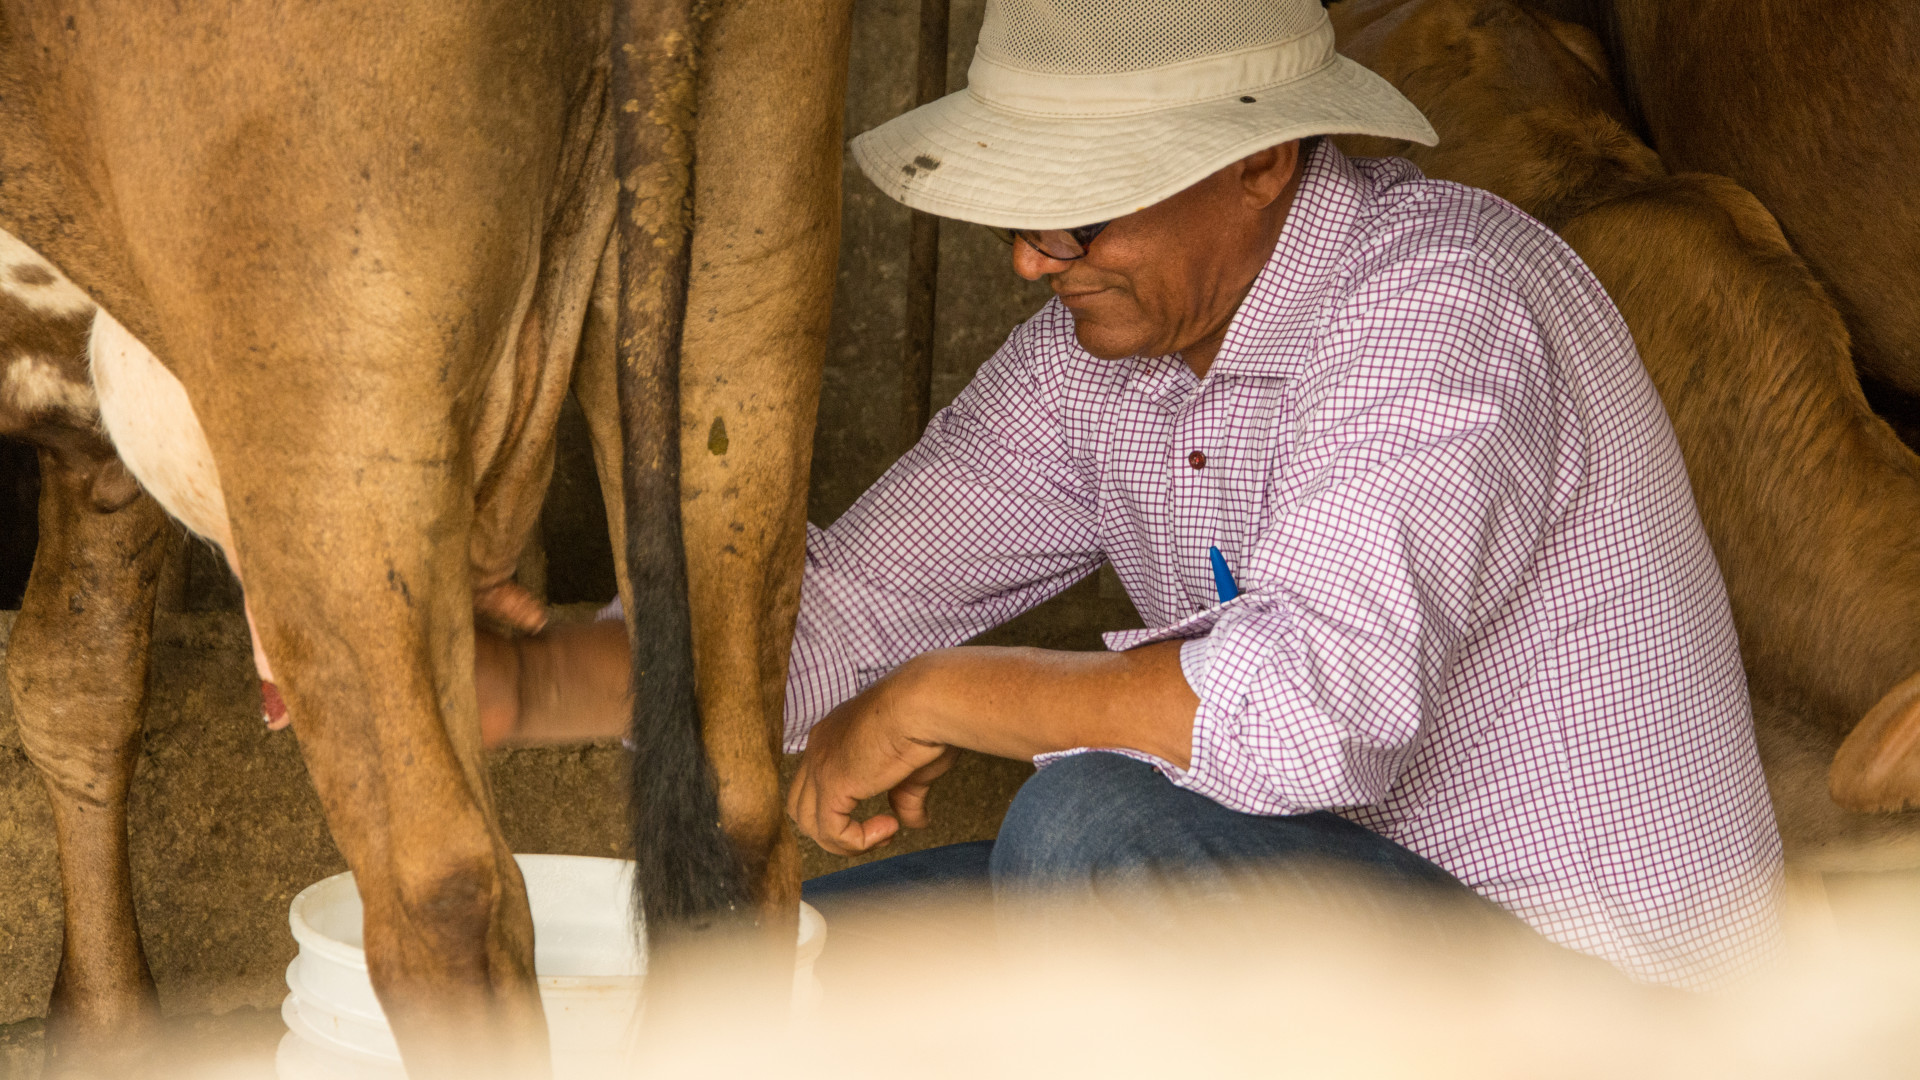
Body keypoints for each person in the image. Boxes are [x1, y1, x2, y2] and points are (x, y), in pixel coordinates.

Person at [481, 0, 1784, 989]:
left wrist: (937, 694)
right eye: (1016, 213)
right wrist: (516, 687)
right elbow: (845, 612)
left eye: (1077, 216)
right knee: (770, 972)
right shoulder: (1096, 360)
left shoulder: (1437, 300)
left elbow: (1304, 717)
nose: (1029, 261)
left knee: (1086, 829)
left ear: (1260, 161)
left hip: (1601, 1002)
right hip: (1326, 927)